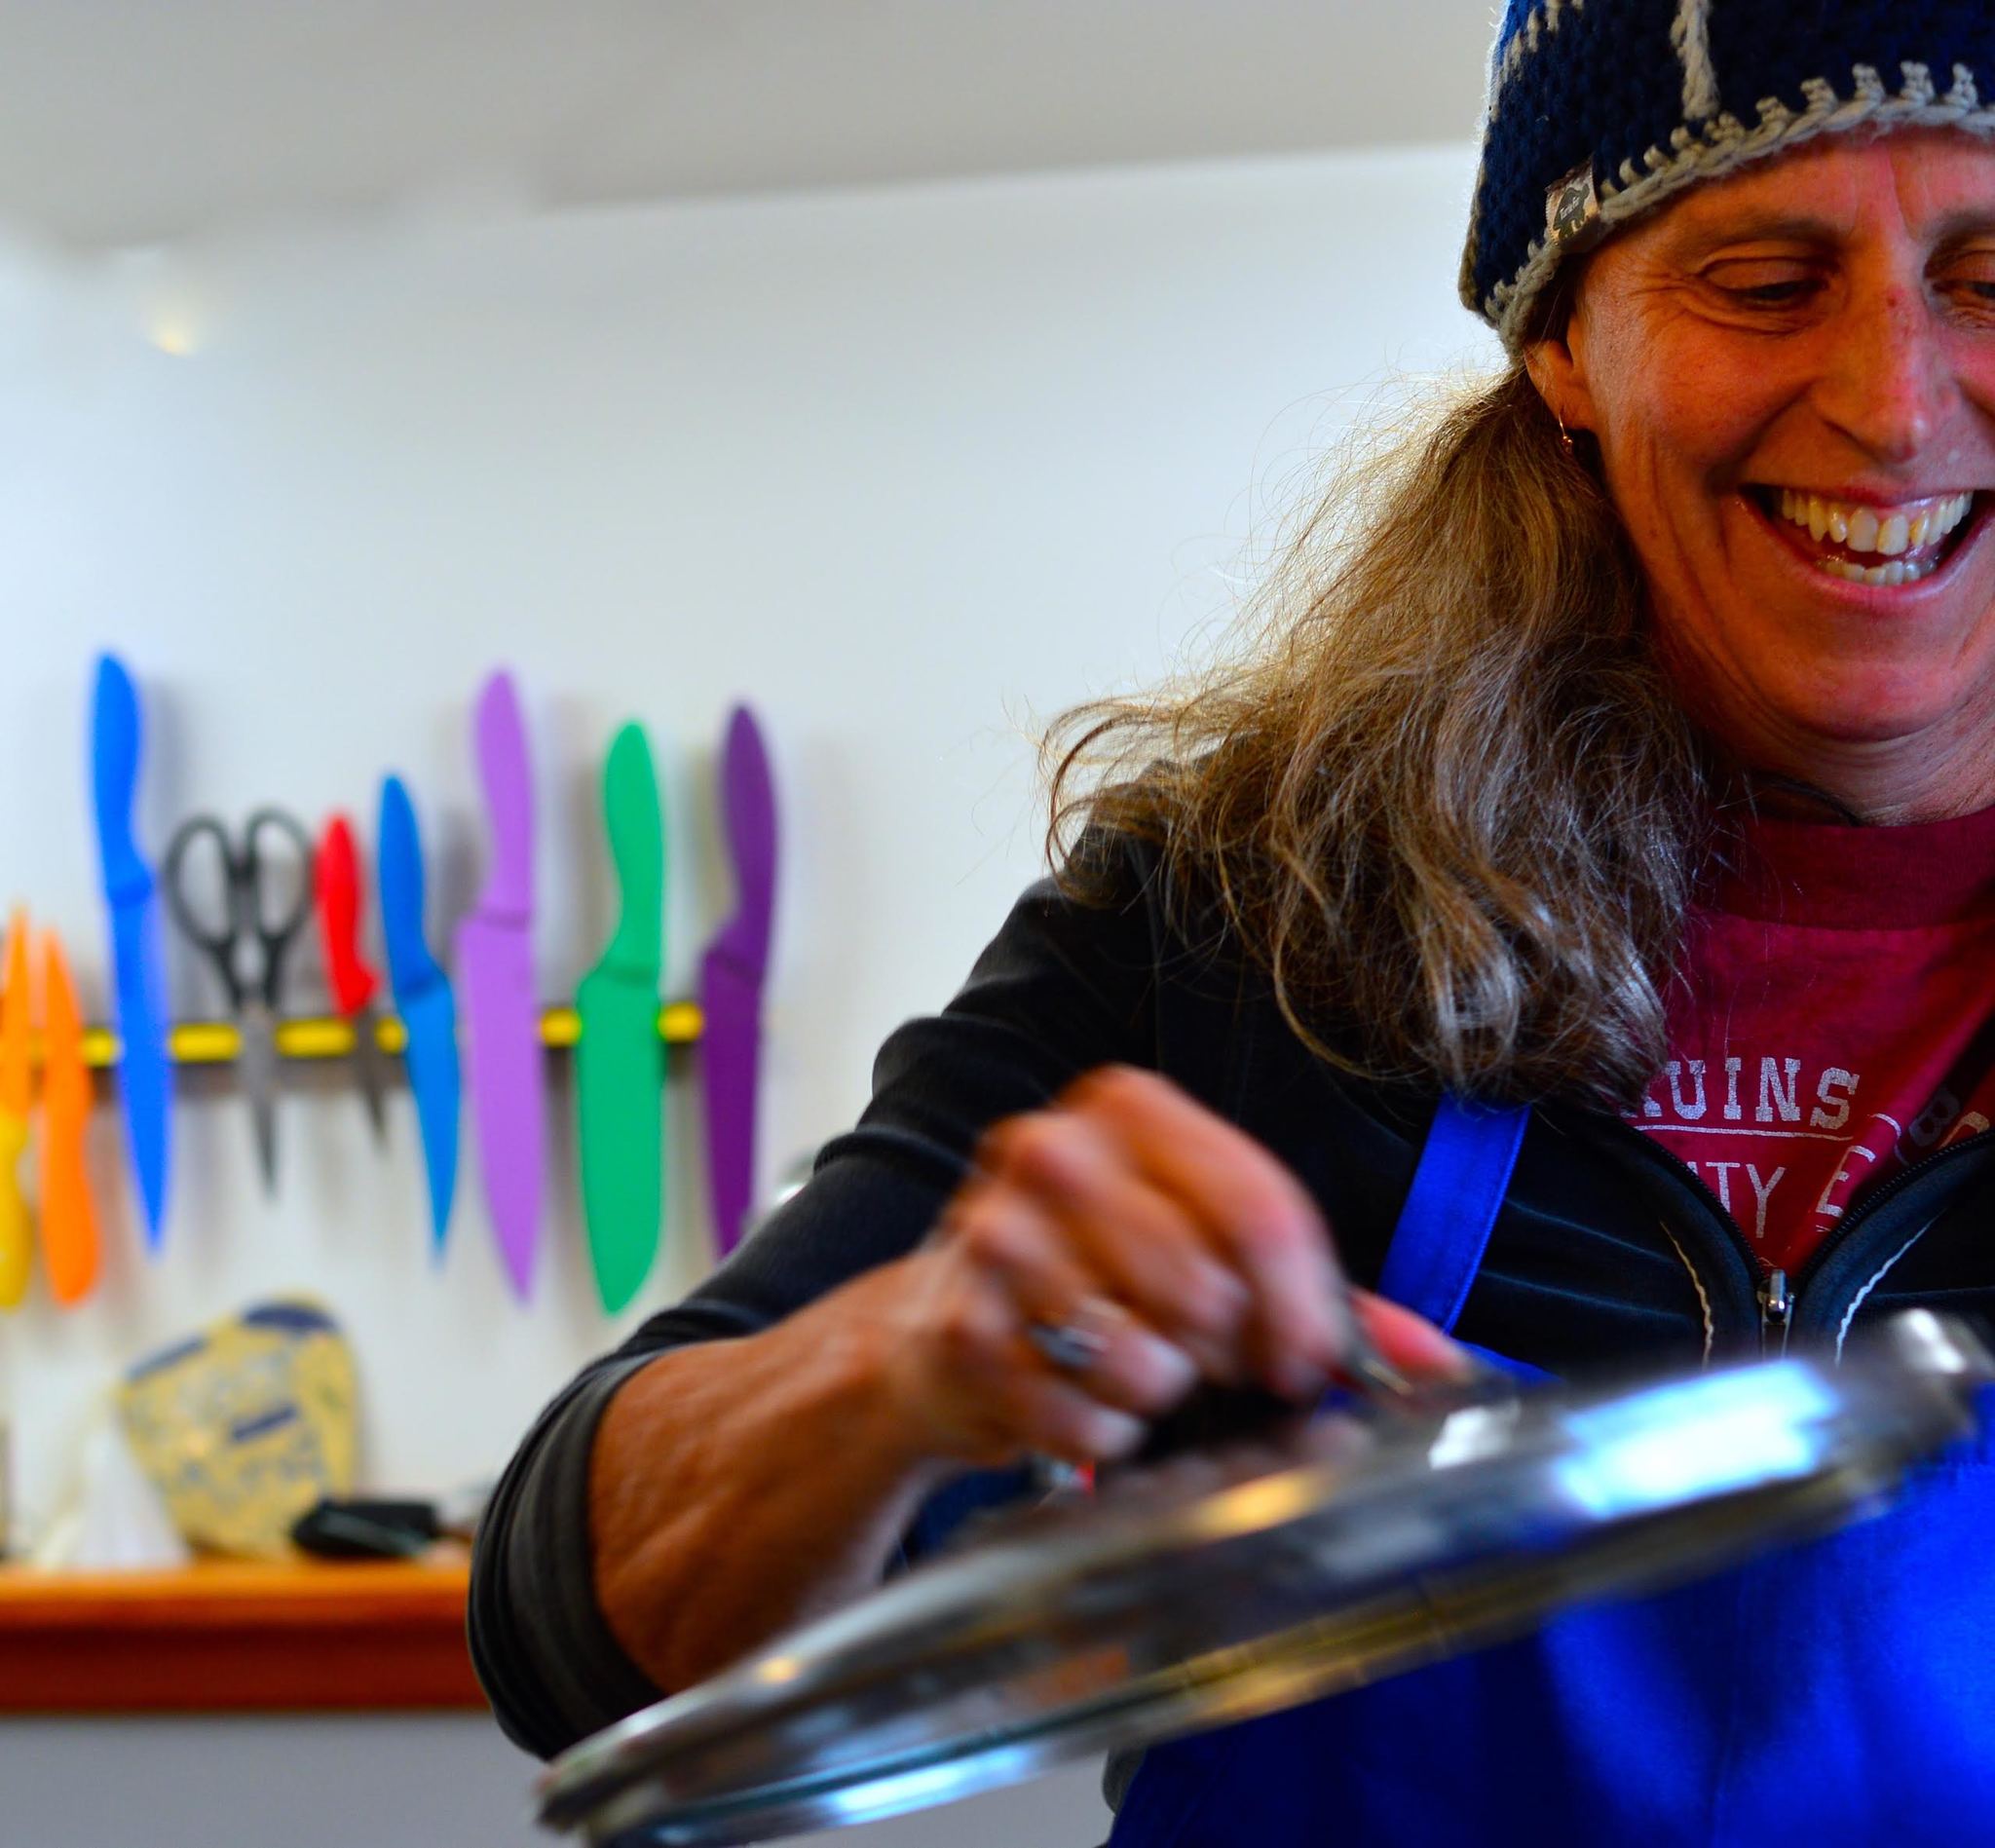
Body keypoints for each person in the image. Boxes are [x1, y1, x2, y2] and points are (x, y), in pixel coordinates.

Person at [471, 6, 1995, 1839]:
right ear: (1565, 348)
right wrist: (897, 1362)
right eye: (1761, 279)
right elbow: (577, 1629)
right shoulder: (1241, 927)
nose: (1897, 397)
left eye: (1988, 274)